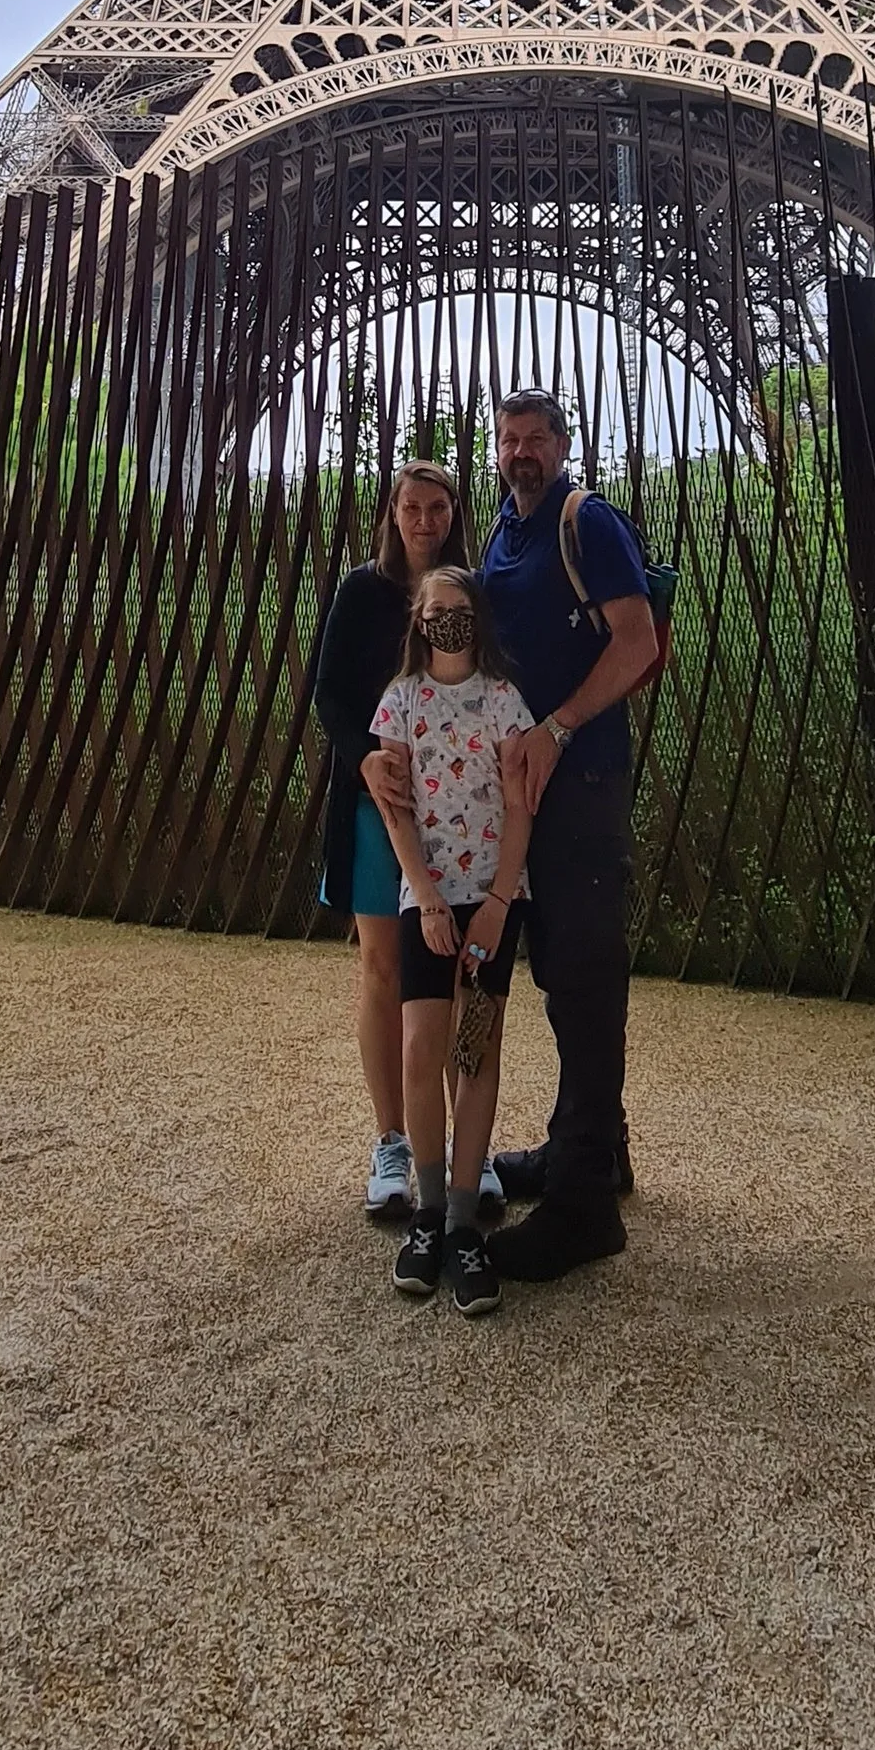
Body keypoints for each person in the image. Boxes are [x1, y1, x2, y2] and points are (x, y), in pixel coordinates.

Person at [376, 385, 655, 1285]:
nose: (521, 451)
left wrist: (558, 727)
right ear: (495, 451)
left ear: (563, 445)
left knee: (584, 978)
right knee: (562, 976)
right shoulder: (505, 529)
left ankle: (583, 1205)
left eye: (536, 437)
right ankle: (593, 1148)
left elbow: (639, 641)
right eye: (508, 439)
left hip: (580, 783)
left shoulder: (585, 520)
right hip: (526, 797)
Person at [363, 567, 538, 1317]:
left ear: (478, 617)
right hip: (427, 898)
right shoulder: (400, 700)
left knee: (477, 1050)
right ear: (418, 619)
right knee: (420, 1047)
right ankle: (429, 1210)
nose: (448, 621)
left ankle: (464, 1220)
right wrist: (427, 898)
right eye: (436, 610)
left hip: (492, 899)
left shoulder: (504, 700)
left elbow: (520, 805)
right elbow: (396, 809)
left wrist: (497, 902)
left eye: (459, 609)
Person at [310, 458, 476, 1225]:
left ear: (453, 513)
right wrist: (365, 758)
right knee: (382, 966)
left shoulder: (469, 593)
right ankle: (391, 1142)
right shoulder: (360, 591)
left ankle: (464, 1143)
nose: (424, 520)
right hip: (375, 803)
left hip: (454, 813)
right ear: (392, 512)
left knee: (456, 973)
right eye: (412, 507)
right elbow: (329, 693)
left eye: (437, 507)